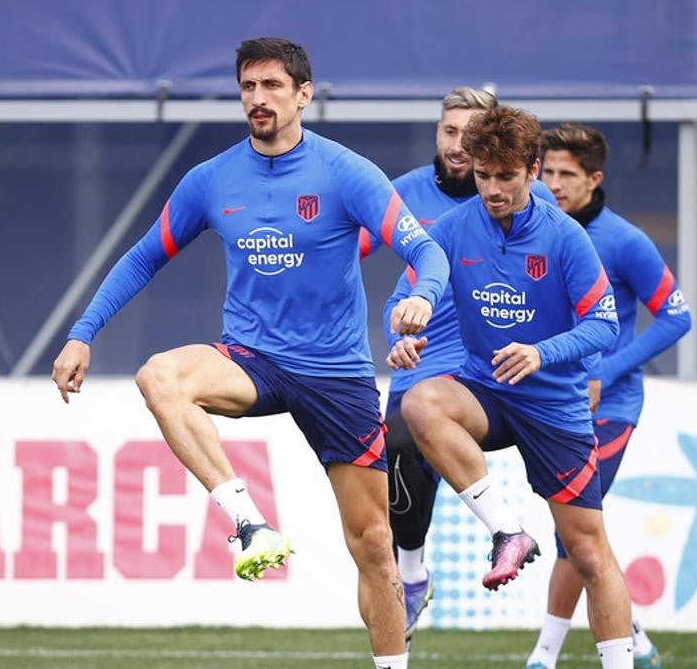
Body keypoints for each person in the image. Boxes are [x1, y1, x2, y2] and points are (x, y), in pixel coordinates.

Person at [50, 37, 450, 669]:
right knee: (160, 376)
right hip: (251, 358)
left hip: (336, 373)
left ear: (303, 95)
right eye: (248, 87)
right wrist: (83, 330)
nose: (257, 100)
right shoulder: (211, 180)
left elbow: (428, 251)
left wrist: (423, 297)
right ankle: (248, 523)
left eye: (271, 87)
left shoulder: (347, 173)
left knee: (373, 545)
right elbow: (143, 256)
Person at [392, 105, 637, 669]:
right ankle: (507, 531)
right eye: (483, 175)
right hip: (488, 393)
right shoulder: (456, 227)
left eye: (506, 176)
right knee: (420, 401)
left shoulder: (565, 236)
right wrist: (411, 319)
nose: (493, 188)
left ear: (531, 170)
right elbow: (423, 277)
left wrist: (541, 352)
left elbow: (604, 325)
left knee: (587, 553)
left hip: (554, 407)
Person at [363, 86, 555, 639]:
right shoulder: (400, 196)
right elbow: (340, 253)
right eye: (450, 131)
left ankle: (618, 623)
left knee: (581, 527)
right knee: (395, 446)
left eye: (470, 136)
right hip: (422, 362)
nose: (459, 145)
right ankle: (414, 572)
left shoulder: (522, 203)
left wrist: (574, 362)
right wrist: (393, 332)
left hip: (498, 369)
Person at [521, 124, 692, 669]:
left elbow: (677, 316)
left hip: (610, 408)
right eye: (545, 172)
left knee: (574, 531)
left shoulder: (623, 240)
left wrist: (608, 372)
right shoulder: (533, 230)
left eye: (566, 174)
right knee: (580, 528)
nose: (552, 183)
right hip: (551, 403)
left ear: (595, 179)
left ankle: (542, 658)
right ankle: (635, 639)